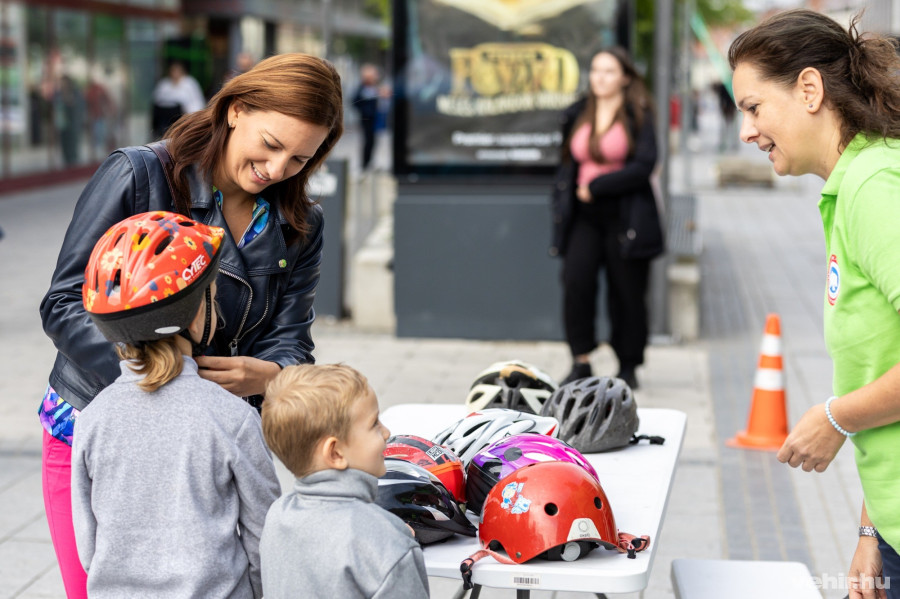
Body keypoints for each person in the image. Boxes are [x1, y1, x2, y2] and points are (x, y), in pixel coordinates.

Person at [39, 52, 343, 597]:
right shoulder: (139, 173)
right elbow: (64, 301)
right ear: (236, 110)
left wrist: (268, 375)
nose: (277, 171)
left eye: (300, 159)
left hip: (207, 446)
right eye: (271, 145)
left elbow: (293, 339)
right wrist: (155, 380)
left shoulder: (302, 223)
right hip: (99, 423)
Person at [728, 9, 900, 599]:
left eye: (753, 108)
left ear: (809, 89)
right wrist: (870, 528)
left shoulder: (873, 187)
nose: (747, 132)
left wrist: (835, 417)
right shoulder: (851, 183)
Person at [72, 211, 281, 597]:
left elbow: (88, 543)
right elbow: (266, 537)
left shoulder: (93, 419)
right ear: (196, 313)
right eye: (213, 297)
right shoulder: (231, 417)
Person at [260, 363, 430, 599]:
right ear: (336, 453)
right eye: (374, 424)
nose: (386, 432)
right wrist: (391, 541)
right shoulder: (387, 544)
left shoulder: (277, 515)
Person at [551, 46, 662, 390]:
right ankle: (580, 360)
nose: (599, 77)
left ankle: (628, 365)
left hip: (624, 214)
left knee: (626, 292)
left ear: (625, 77)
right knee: (576, 282)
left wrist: (598, 185)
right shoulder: (577, 112)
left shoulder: (638, 114)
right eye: (596, 70)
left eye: (609, 71)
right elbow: (566, 163)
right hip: (583, 216)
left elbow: (645, 166)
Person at [151, 60, 207, 139]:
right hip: (165, 119)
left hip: (184, 116)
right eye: (173, 71)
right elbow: (157, 100)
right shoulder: (164, 84)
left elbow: (196, 101)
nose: (175, 73)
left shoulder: (190, 83)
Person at [353, 63, 380, 170]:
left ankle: (369, 161)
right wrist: (365, 111)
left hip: (374, 118)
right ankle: (365, 163)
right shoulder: (362, 88)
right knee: (368, 140)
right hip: (367, 119)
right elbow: (356, 101)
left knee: (373, 141)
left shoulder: (373, 88)